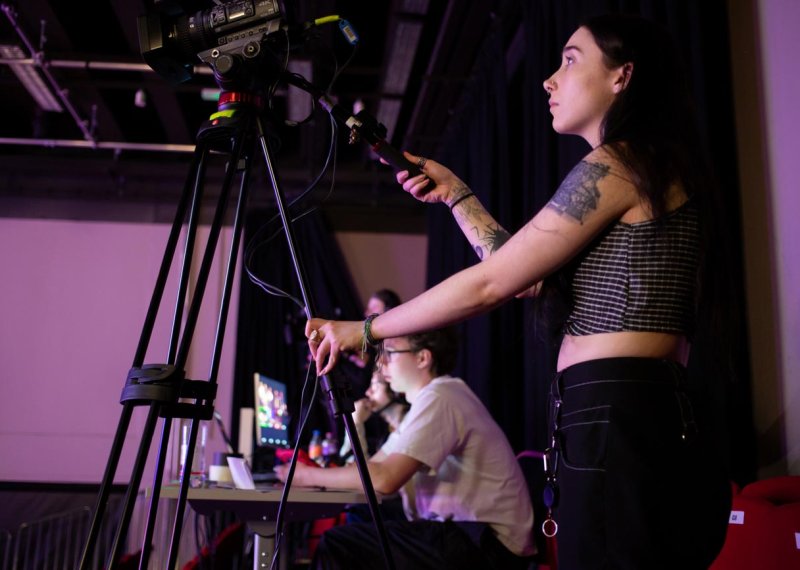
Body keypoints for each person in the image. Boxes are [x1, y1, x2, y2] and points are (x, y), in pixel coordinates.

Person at [304, 14, 732, 570]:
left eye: (570, 60)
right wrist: (457, 194)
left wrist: (364, 330)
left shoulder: (622, 163)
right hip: (620, 414)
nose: (549, 79)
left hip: (618, 418)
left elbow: (492, 282)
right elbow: (525, 272)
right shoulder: (642, 166)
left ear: (623, 76)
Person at [275, 327, 536, 569]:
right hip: (470, 535)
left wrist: (304, 476)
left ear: (423, 358)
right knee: (360, 516)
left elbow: (385, 479)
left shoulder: (441, 397)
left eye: (390, 352)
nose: (381, 362)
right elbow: (372, 470)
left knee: (338, 543)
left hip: (490, 545)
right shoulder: (428, 401)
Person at [338, 366, 409, 462]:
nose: (368, 392)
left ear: (397, 391)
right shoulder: (391, 430)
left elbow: (367, 473)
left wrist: (355, 424)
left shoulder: (406, 428)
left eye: (376, 386)